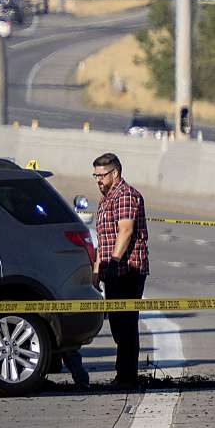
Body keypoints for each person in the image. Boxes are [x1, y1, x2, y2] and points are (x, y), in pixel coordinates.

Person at [92, 153, 150, 389]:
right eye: (95, 175)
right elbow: (103, 238)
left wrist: (115, 261)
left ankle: (127, 376)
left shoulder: (125, 195)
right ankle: (123, 374)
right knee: (117, 322)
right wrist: (97, 268)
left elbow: (125, 231)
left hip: (128, 269)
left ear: (115, 173)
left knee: (125, 322)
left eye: (102, 175)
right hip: (111, 269)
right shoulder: (106, 199)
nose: (98, 180)